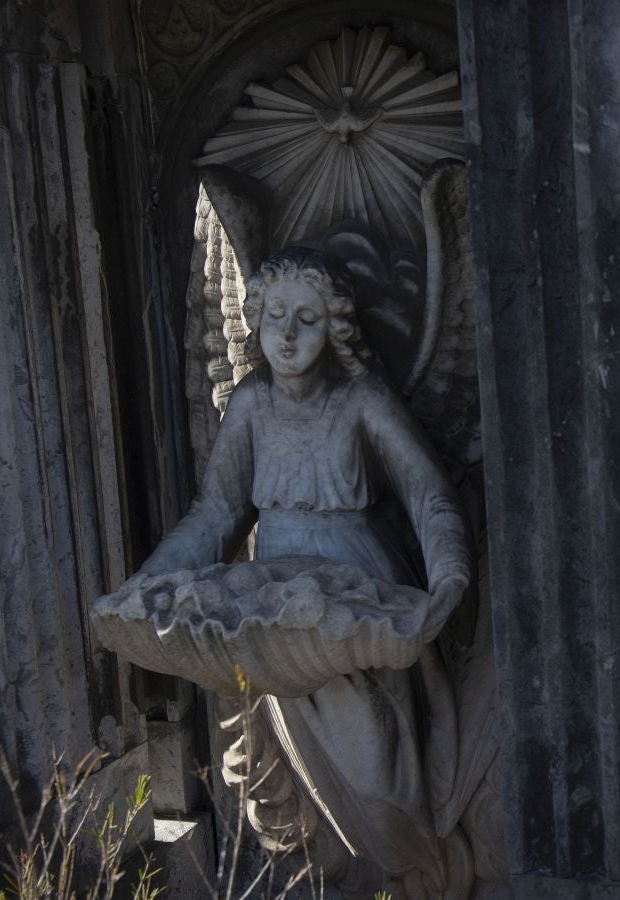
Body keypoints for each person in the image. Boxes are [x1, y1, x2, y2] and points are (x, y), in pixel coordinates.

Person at [134, 245, 479, 889]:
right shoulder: (251, 407)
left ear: (336, 328)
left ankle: (427, 875)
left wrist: (449, 577)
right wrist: (152, 584)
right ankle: (372, 881)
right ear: (255, 322)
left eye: (307, 319)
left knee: (380, 782)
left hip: (359, 606)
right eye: (275, 318)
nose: (288, 335)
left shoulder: (361, 403)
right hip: (279, 614)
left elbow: (430, 494)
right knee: (317, 784)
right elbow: (216, 514)